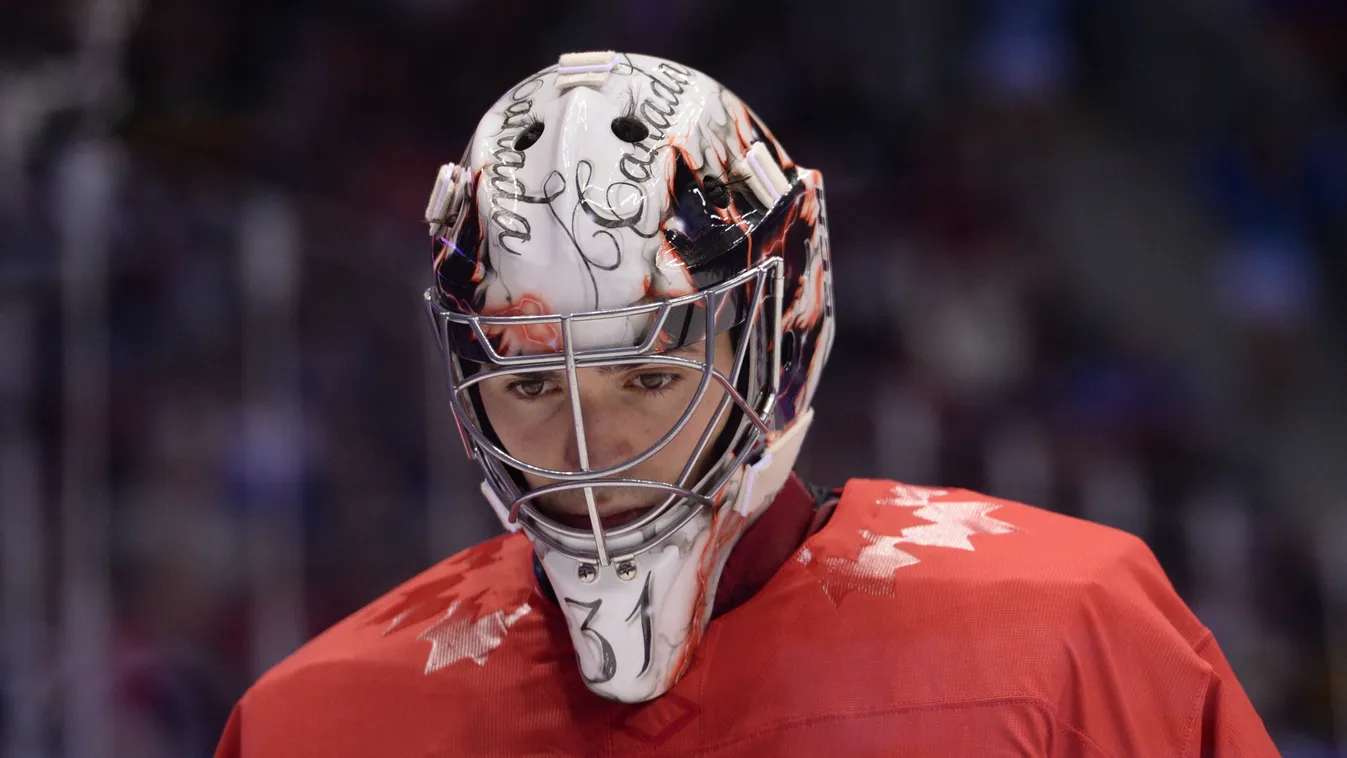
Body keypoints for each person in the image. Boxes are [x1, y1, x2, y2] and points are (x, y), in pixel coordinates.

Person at [215, 52, 1278, 756]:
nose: (596, 447)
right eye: (532, 381)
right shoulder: (322, 721)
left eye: (646, 372)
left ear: (778, 333)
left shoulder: (1071, 636)